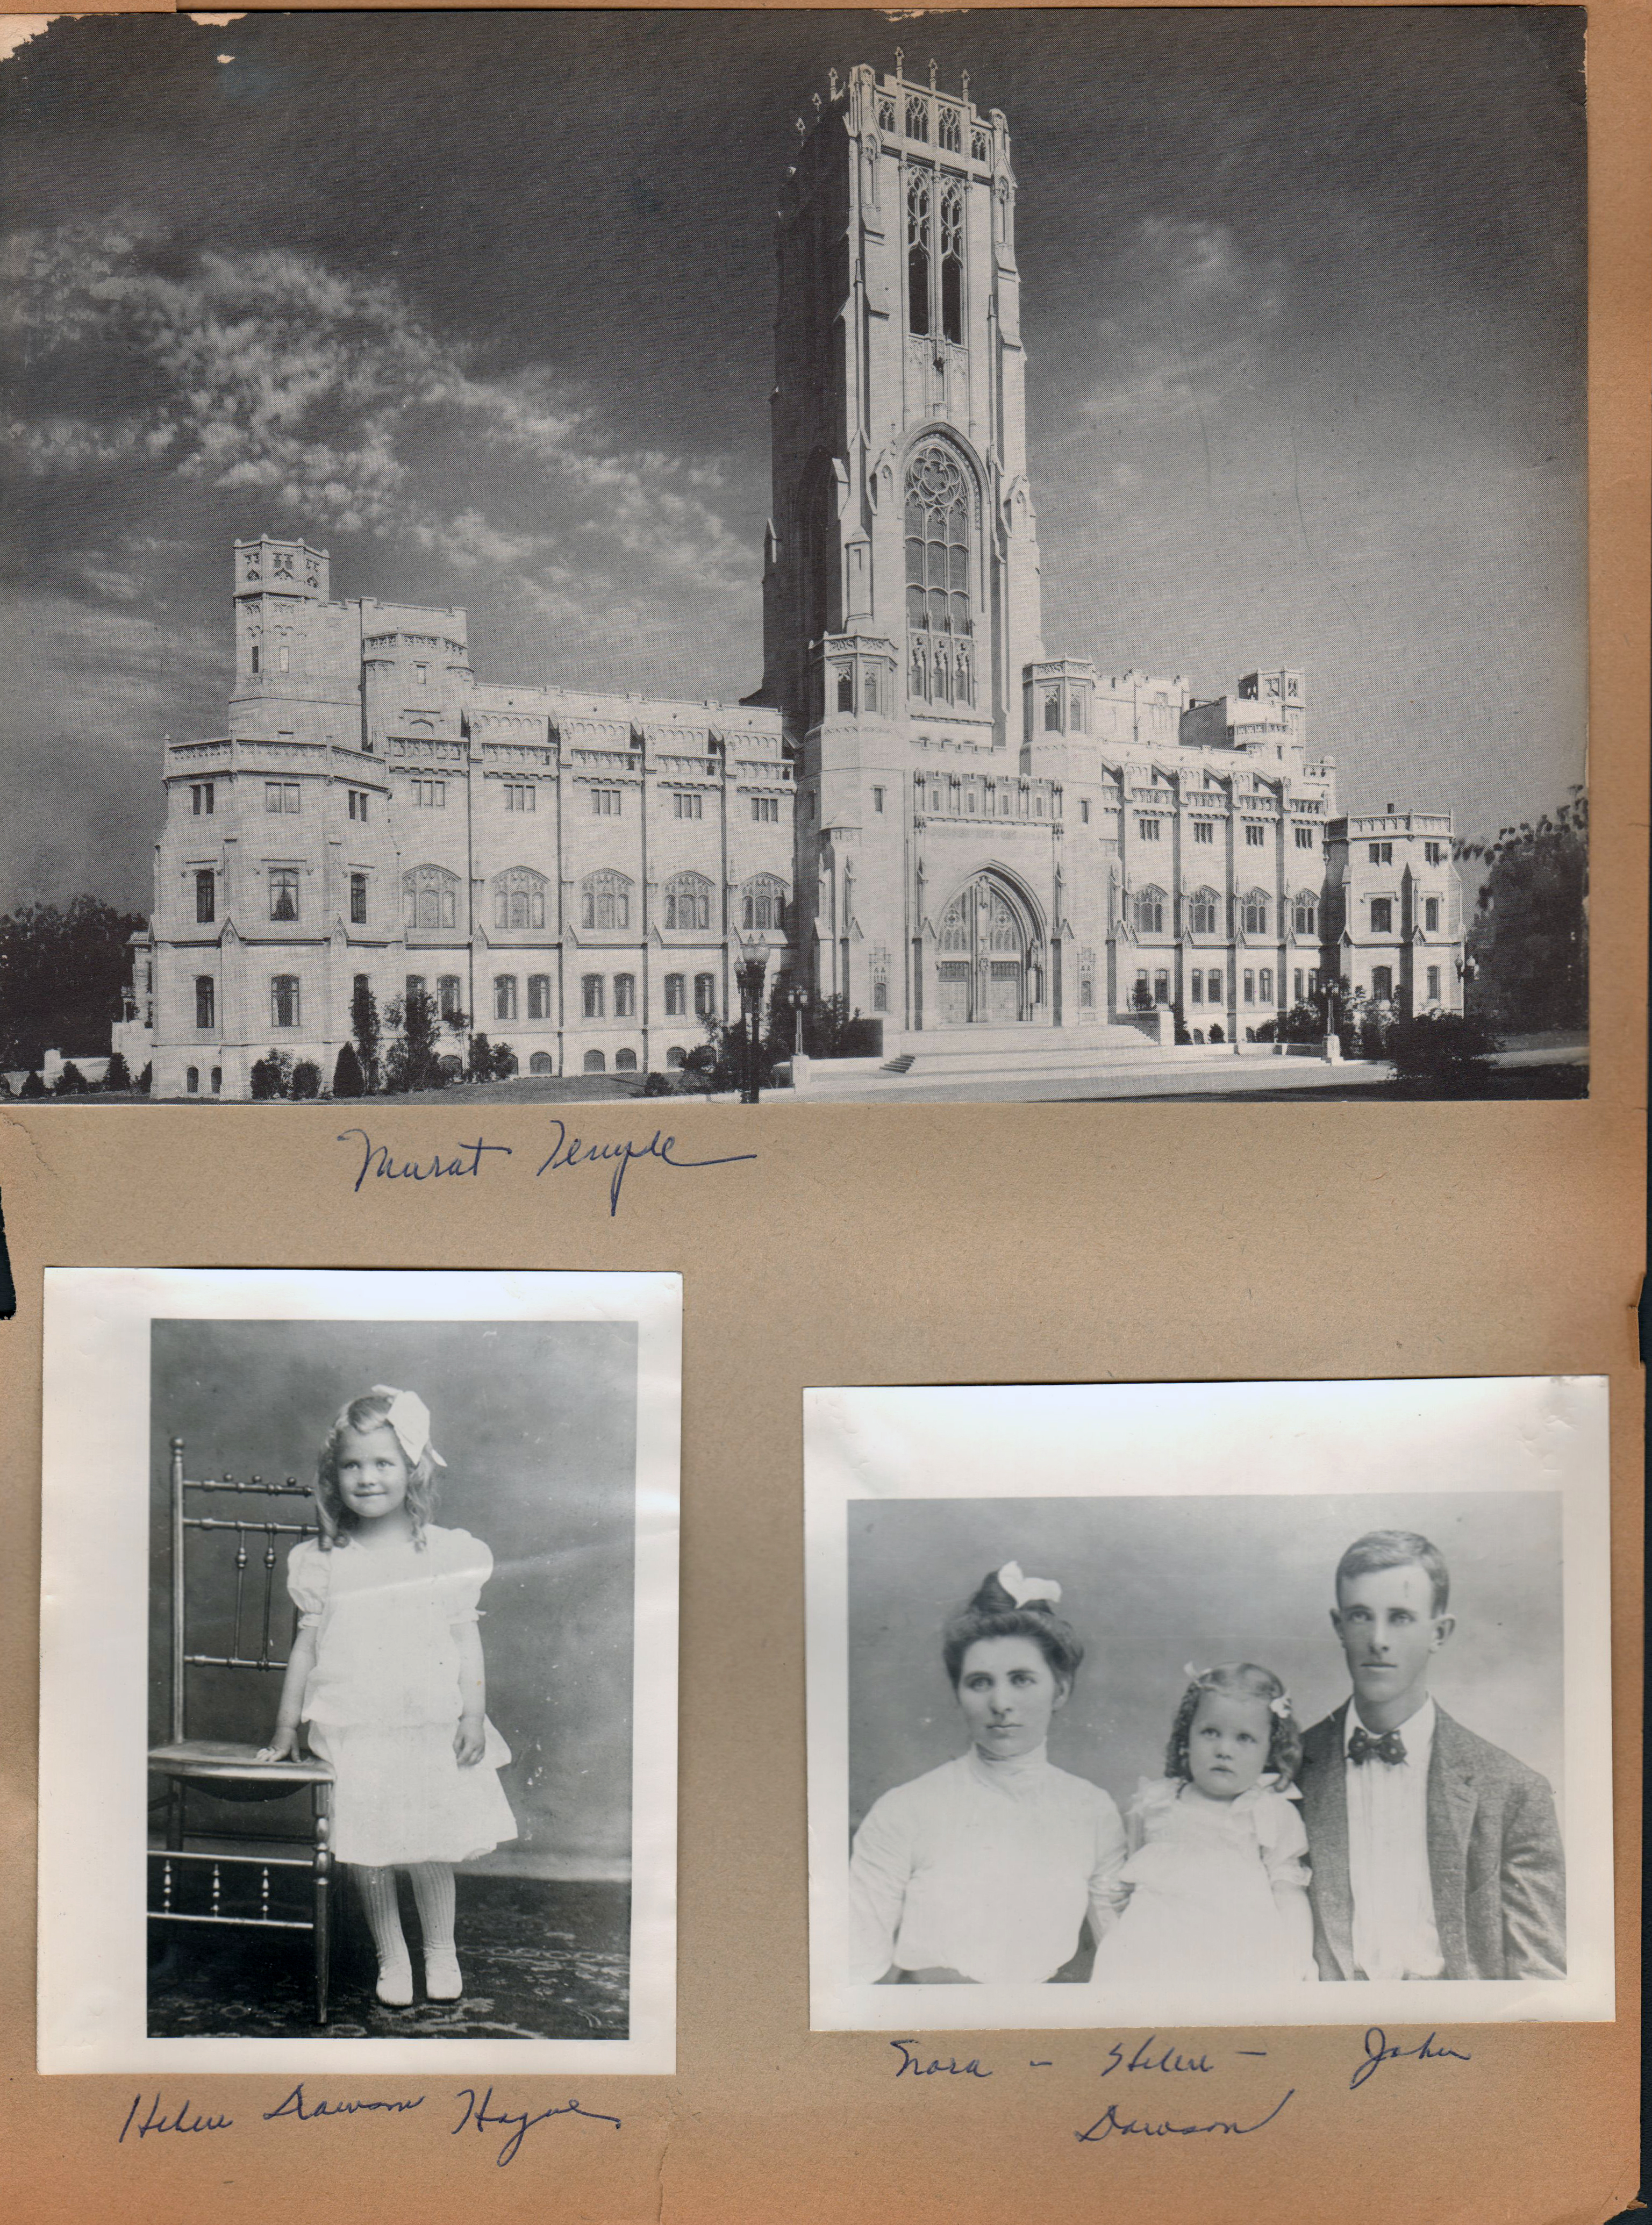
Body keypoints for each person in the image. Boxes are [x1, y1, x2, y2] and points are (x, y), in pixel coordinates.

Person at [260, 1385, 518, 2006]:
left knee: (430, 1839)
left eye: (383, 1462)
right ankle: (392, 1955)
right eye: (352, 1464)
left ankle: (440, 1950)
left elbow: (465, 1640)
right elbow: (305, 1649)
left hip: (428, 1720)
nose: (367, 1477)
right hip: (357, 1724)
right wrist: (286, 1728)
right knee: (368, 1843)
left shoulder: (446, 1551)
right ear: (335, 1475)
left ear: (412, 1468)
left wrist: (473, 1714)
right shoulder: (324, 1560)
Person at [1296, 1528, 1566, 1981]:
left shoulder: (1514, 1792)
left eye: (1400, 1617)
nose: (1377, 1639)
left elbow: (1541, 1983)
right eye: (1360, 1615)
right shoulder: (1286, 1771)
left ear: (1439, 1632)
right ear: (1338, 1626)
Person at [847, 1563, 1126, 1985]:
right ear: (958, 1694)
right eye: (979, 1682)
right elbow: (855, 1967)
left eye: (1021, 1679)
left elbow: (1122, 1953)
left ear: (1060, 1690)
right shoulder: (904, 1810)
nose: (1000, 1703)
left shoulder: (1093, 1811)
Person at [1088, 1663, 1316, 1988]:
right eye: (1210, 1732)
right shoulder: (1156, 1802)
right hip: (1153, 1953)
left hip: (1238, 1955)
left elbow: (1289, 1891)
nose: (1224, 1750)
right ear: (1187, 1738)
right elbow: (1127, 1879)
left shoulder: (1269, 1811)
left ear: (1270, 1750)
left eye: (1245, 1738)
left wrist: (1298, 1958)